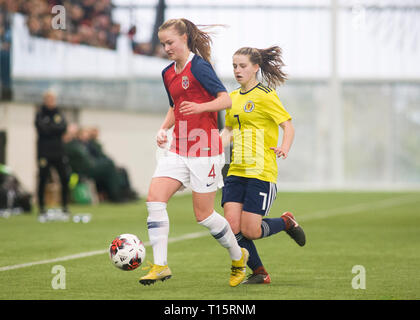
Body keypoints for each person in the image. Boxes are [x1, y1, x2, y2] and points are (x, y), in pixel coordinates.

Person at [139, 18, 248, 287]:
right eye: (163, 43)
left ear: (184, 39)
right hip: (178, 149)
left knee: (204, 216)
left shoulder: (199, 66)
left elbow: (225, 99)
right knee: (154, 199)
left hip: (205, 151)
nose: (166, 48)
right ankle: (160, 265)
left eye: (170, 42)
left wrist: (200, 108)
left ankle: (238, 257)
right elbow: (174, 107)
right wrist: (163, 128)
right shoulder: (167, 73)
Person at [220, 46, 306, 284]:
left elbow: (287, 126)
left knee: (250, 231)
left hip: (261, 170)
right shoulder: (232, 98)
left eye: (243, 66)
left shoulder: (266, 95)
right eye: (234, 66)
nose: (237, 70)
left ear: (255, 67)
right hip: (236, 170)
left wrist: (284, 148)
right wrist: (213, 145)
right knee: (231, 226)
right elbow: (228, 129)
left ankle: (286, 222)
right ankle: (260, 273)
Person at [35, 89, 69, 216]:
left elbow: (63, 127)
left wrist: (50, 127)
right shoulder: (40, 114)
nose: (51, 102)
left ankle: (65, 206)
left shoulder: (59, 113)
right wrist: (54, 128)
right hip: (44, 152)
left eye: (52, 99)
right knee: (43, 179)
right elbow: (42, 129)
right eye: (48, 99)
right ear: (45, 100)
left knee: (64, 178)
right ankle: (41, 207)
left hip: (59, 152)